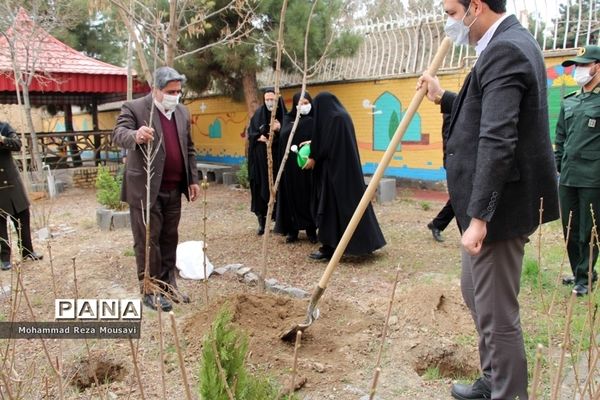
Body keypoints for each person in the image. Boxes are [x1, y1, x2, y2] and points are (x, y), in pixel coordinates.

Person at [418, 0, 559, 399]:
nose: (448, 21)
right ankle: (493, 378)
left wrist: (480, 215)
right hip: (488, 207)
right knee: (473, 291)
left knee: (498, 315)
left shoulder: (506, 49)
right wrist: (443, 96)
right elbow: (483, 109)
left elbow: (498, 138)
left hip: (499, 210)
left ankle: (508, 392)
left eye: (449, 12)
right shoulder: (502, 45)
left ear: (475, 7)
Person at [113, 66, 200, 312]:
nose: (176, 95)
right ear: (156, 90)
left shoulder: (182, 112)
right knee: (147, 240)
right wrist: (136, 135)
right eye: (170, 91)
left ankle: (168, 283)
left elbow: (189, 148)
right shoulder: (136, 108)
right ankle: (150, 289)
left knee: (170, 238)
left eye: (179, 91)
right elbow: (119, 133)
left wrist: (192, 179)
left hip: (174, 188)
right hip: (145, 189)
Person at [303, 92, 386, 260]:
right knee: (349, 208)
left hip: (334, 175)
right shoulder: (341, 116)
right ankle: (363, 243)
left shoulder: (335, 119)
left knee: (332, 210)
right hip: (345, 173)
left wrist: (313, 155)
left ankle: (329, 248)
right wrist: (313, 144)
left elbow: (326, 145)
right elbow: (330, 140)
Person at [555, 45, 600, 297]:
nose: (578, 70)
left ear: (597, 66)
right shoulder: (570, 100)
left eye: (584, 64)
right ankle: (579, 270)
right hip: (569, 175)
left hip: (594, 176)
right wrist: (559, 163)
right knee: (569, 227)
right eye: (577, 65)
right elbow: (560, 134)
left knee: (589, 228)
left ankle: (585, 277)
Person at [274, 91, 317, 243]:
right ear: (295, 104)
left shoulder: (316, 119)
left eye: (306, 103)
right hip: (291, 168)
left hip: (309, 166)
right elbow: (284, 138)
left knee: (309, 195)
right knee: (291, 196)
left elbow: (319, 139)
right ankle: (293, 230)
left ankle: (311, 229)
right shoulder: (289, 119)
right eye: (301, 103)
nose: (304, 106)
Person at [0, 121, 43, 270]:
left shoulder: (3, 127)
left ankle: (27, 251)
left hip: (13, 183)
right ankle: (4, 258)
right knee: (0, 225)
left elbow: (18, 144)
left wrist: (3, 139)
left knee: (23, 216)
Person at [247, 88, 286, 235]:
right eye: (267, 99)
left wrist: (279, 129)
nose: (270, 102)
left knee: (280, 190)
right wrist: (259, 137)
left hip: (279, 161)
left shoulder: (284, 115)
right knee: (260, 190)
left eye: (272, 99)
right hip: (261, 163)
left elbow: (290, 133)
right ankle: (262, 224)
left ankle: (281, 223)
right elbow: (251, 133)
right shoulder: (258, 115)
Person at [427, 114, 455, 243]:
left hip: (463, 163)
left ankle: (437, 224)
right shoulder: (452, 114)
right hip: (456, 164)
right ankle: (437, 224)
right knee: (459, 198)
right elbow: (450, 142)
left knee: (460, 198)